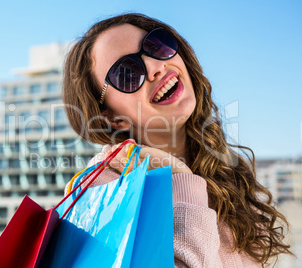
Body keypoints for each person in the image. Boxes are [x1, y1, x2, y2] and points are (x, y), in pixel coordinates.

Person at [62, 13, 293, 267]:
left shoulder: (224, 170)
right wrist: (181, 178)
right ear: (113, 118)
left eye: (156, 45)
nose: (155, 67)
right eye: (126, 73)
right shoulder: (99, 189)